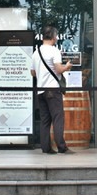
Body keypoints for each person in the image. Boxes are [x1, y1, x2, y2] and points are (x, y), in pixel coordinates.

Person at [30, 26, 73, 154]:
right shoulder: (54, 51)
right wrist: (67, 67)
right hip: (52, 89)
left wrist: (42, 73)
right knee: (58, 118)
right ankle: (61, 146)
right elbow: (58, 69)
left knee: (45, 120)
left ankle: (46, 147)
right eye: (56, 36)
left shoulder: (36, 52)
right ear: (53, 37)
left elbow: (32, 73)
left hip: (40, 90)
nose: (57, 38)